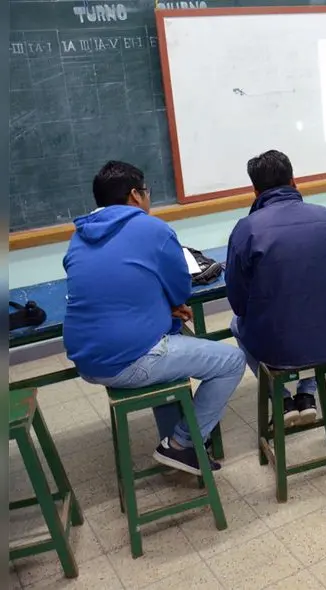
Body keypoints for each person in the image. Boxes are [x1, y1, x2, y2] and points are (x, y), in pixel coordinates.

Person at [64, 161, 245, 475]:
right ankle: (183, 444)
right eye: (146, 191)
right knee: (232, 361)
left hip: (86, 358)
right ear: (135, 195)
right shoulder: (152, 228)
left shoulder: (79, 236)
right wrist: (172, 303)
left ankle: (174, 442)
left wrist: (161, 304)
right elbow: (179, 288)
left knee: (170, 349)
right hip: (129, 359)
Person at [226, 150, 326, 427]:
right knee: (314, 314)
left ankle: (281, 397)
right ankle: (307, 394)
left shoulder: (247, 229)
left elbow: (238, 302)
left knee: (236, 324)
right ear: (294, 181)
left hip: (278, 347)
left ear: (255, 190)